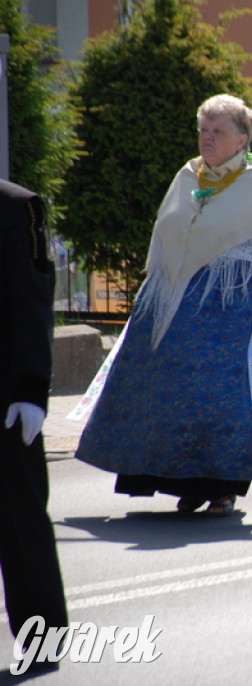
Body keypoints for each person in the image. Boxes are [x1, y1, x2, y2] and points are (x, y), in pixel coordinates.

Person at [75, 94, 252, 516]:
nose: (208, 138)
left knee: (221, 401)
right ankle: (179, 479)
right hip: (173, 306)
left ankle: (221, 487)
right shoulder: (187, 176)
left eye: (218, 131)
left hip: (230, 313)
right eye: (204, 129)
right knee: (165, 394)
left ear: (241, 139)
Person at [1, 179, 68, 674]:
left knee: (19, 518)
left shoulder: (15, 207)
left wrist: (30, 391)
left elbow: (31, 302)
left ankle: (42, 638)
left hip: (3, 395)